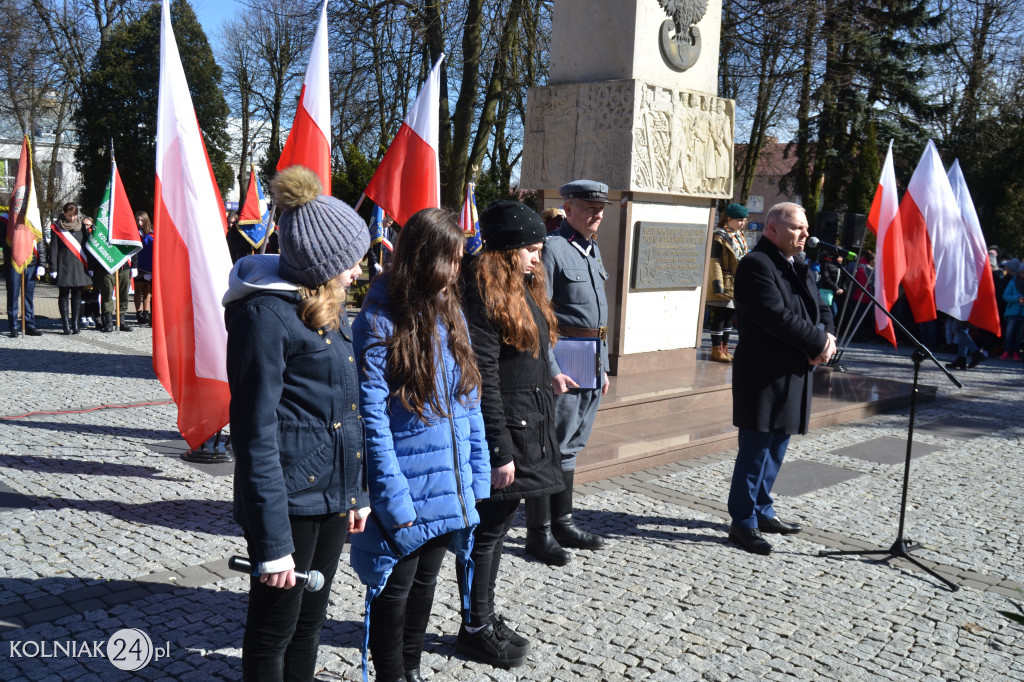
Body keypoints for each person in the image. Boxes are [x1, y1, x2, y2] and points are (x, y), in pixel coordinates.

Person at [223, 166, 371, 682]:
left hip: (329, 500)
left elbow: (342, 409)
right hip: (287, 502)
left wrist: (357, 492)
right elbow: (254, 433)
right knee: (274, 632)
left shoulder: (326, 307)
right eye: (352, 262)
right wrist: (273, 544)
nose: (358, 272)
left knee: (310, 624)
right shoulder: (264, 316)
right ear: (324, 264)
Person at [349, 207, 490, 682]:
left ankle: (409, 670)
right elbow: (372, 420)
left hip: (447, 483)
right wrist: (392, 498)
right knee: (395, 587)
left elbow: (469, 403)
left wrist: (477, 477)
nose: (457, 270)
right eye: (449, 259)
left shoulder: (451, 312)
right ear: (422, 258)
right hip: (406, 487)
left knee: (426, 582)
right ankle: (391, 674)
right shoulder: (378, 320)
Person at [456, 201, 566, 668]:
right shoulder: (482, 294)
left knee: (497, 532)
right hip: (508, 435)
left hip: (531, 423)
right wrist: (499, 451)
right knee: (487, 534)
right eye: (531, 249)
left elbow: (528, 354)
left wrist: (550, 375)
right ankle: (474, 627)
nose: (537, 257)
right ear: (506, 250)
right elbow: (483, 380)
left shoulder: (521, 287)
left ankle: (482, 615)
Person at [727, 202, 836, 555]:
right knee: (756, 450)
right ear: (772, 229)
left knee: (777, 446)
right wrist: (818, 341)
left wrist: (828, 338)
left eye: (805, 228)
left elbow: (821, 307)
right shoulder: (756, 265)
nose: (805, 235)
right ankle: (742, 522)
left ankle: (763, 509)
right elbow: (775, 316)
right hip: (763, 373)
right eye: (796, 228)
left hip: (793, 370)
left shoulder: (798, 264)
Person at [530, 179, 611, 566]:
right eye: (588, 206)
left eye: (600, 208)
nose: (597, 214)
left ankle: (563, 522)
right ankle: (540, 532)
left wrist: (604, 365)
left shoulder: (592, 250)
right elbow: (539, 317)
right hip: (566, 355)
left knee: (572, 445)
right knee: (552, 445)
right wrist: (552, 367)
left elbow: (597, 319)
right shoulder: (554, 250)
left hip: (590, 355)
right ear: (567, 206)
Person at [705, 203, 749, 363]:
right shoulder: (720, 236)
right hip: (724, 281)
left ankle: (724, 348)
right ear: (728, 218)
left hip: (736, 282)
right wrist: (717, 283)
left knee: (729, 317)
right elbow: (714, 261)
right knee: (720, 317)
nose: (742, 223)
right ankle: (716, 349)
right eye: (739, 220)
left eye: (744, 220)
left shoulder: (738, 236)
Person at [47, 203, 94, 335]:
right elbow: (54, 249)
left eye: (74, 215)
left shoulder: (81, 228)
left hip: (79, 265)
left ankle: (75, 324)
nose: (72, 218)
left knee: (77, 295)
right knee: (63, 295)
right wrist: (53, 268)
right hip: (63, 265)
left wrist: (89, 265)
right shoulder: (57, 227)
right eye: (69, 215)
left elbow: (86, 248)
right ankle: (66, 324)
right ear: (64, 213)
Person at [2, 212, 47, 337]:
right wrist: (17, 244)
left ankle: (30, 325)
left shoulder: (32, 217)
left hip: (31, 262)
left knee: (28, 297)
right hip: (14, 261)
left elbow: (39, 242)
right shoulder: (6, 219)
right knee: (13, 295)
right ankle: (14, 326)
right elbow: (2, 240)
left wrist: (42, 264)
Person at [1000, 258, 1023, 360]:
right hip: (1012, 313)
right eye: (1022, 272)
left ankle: (1016, 353)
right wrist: (1017, 299)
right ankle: (1006, 351)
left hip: (1023, 314)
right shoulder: (1013, 282)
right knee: (1009, 334)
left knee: (1020, 335)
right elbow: (1005, 296)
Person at [134, 211, 154, 326]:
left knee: (147, 290)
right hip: (139, 265)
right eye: (137, 220)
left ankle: (146, 312)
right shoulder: (135, 232)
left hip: (149, 265)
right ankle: (139, 313)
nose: (139, 222)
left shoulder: (151, 232)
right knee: (138, 290)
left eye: (141, 220)